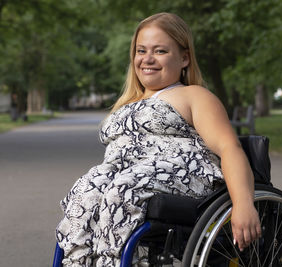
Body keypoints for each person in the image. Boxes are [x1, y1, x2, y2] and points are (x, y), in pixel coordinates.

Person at [56, 12, 261, 266]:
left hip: (180, 176)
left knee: (121, 190)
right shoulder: (128, 102)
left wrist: (243, 204)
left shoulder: (193, 95)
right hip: (125, 175)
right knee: (86, 190)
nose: (147, 59)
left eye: (160, 51)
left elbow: (230, 148)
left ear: (184, 58)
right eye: (141, 50)